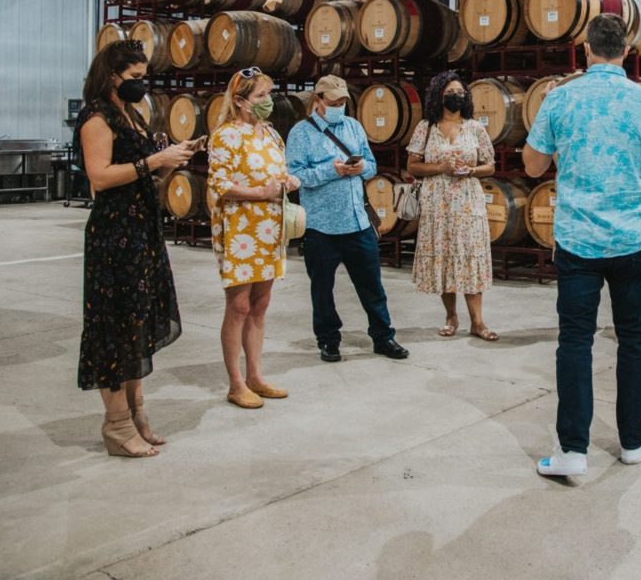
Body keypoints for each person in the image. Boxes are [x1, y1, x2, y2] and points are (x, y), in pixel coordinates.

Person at [523, 13, 641, 478]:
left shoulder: (559, 98)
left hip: (578, 239)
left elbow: (532, 166)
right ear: (627, 51)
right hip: (633, 238)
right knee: (634, 339)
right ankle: (633, 440)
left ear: (586, 49)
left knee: (575, 340)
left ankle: (573, 449)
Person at [76, 41, 195, 457]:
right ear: (112, 76)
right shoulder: (97, 117)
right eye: (134, 78)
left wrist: (170, 162)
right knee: (114, 330)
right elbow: (100, 177)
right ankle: (116, 424)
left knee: (135, 327)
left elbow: (143, 170)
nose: (141, 85)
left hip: (142, 232)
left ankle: (136, 413)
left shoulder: (132, 115)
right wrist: (153, 162)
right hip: (115, 236)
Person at [286, 75, 408, 363]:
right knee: (322, 289)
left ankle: (383, 336)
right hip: (321, 225)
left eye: (342, 102)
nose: (339, 106)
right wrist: (333, 171)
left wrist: (362, 167)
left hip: (357, 222)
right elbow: (295, 176)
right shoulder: (300, 134)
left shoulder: (353, 126)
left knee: (372, 285)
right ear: (318, 102)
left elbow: (372, 165)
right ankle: (328, 340)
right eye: (333, 102)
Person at [207, 67, 300, 409]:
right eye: (261, 96)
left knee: (261, 305)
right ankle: (235, 383)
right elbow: (219, 184)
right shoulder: (225, 136)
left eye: (269, 94)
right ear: (240, 100)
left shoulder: (271, 135)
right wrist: (260, 191)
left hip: (270, 228)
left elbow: (280, 171)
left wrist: (289, 181)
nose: (268, 101)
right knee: (239, 305)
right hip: (240, 228)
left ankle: (255, 376)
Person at [407, 72, 499, 341]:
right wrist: (441, 167)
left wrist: (471, 170)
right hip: (437, 203)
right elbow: (412, 166)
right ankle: (451, 316)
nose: (455, 96)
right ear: (438, 95)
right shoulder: (426, 127)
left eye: (460, 92)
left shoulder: (475, 128)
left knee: (470, 257)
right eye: (450, 92)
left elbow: (490, 165)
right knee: (443, 258)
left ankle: (478, 322)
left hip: (468, 203)